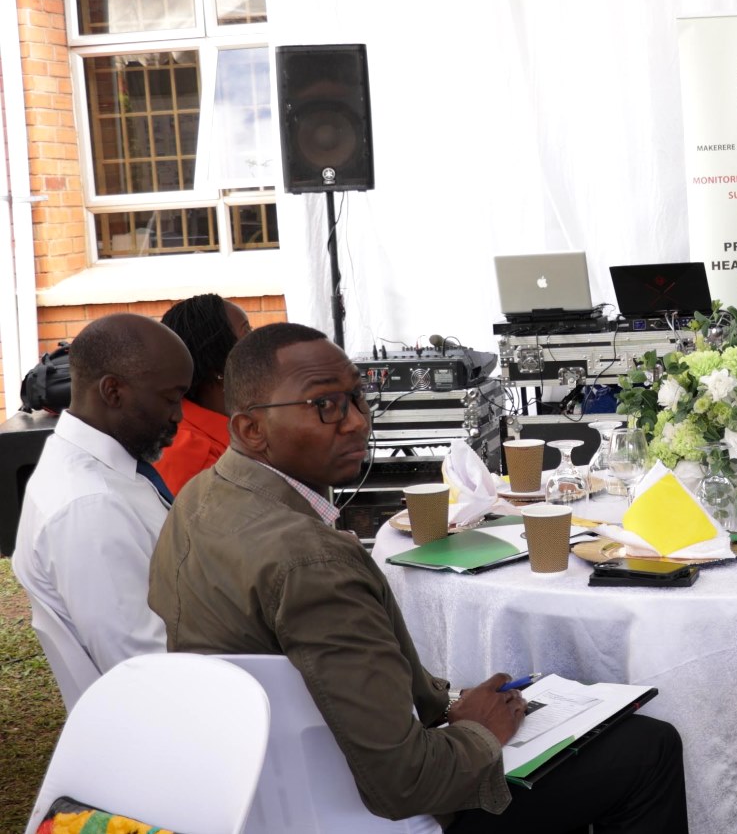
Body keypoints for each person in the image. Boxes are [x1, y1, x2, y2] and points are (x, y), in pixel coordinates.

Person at [149, 323, 687, 832]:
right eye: (325, 407)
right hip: (368, 809)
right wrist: (479, 731)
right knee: (648, 748)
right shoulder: (312, 563)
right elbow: (403, 783)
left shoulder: (201, 495)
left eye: (358, 398)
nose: (357, 421)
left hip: (267, 783)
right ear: (250, 428)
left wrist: (447, 707)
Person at [12, 314, 192, 672]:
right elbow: (146, 669)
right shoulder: (91, 508)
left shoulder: (107, 470)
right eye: (170, 399)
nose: (179, 415)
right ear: (113, 391)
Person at [155, 293, 252, 495]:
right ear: (218, 362)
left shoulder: (242, 422)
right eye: (247, 333)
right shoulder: (188, 451)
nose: (260, 344)